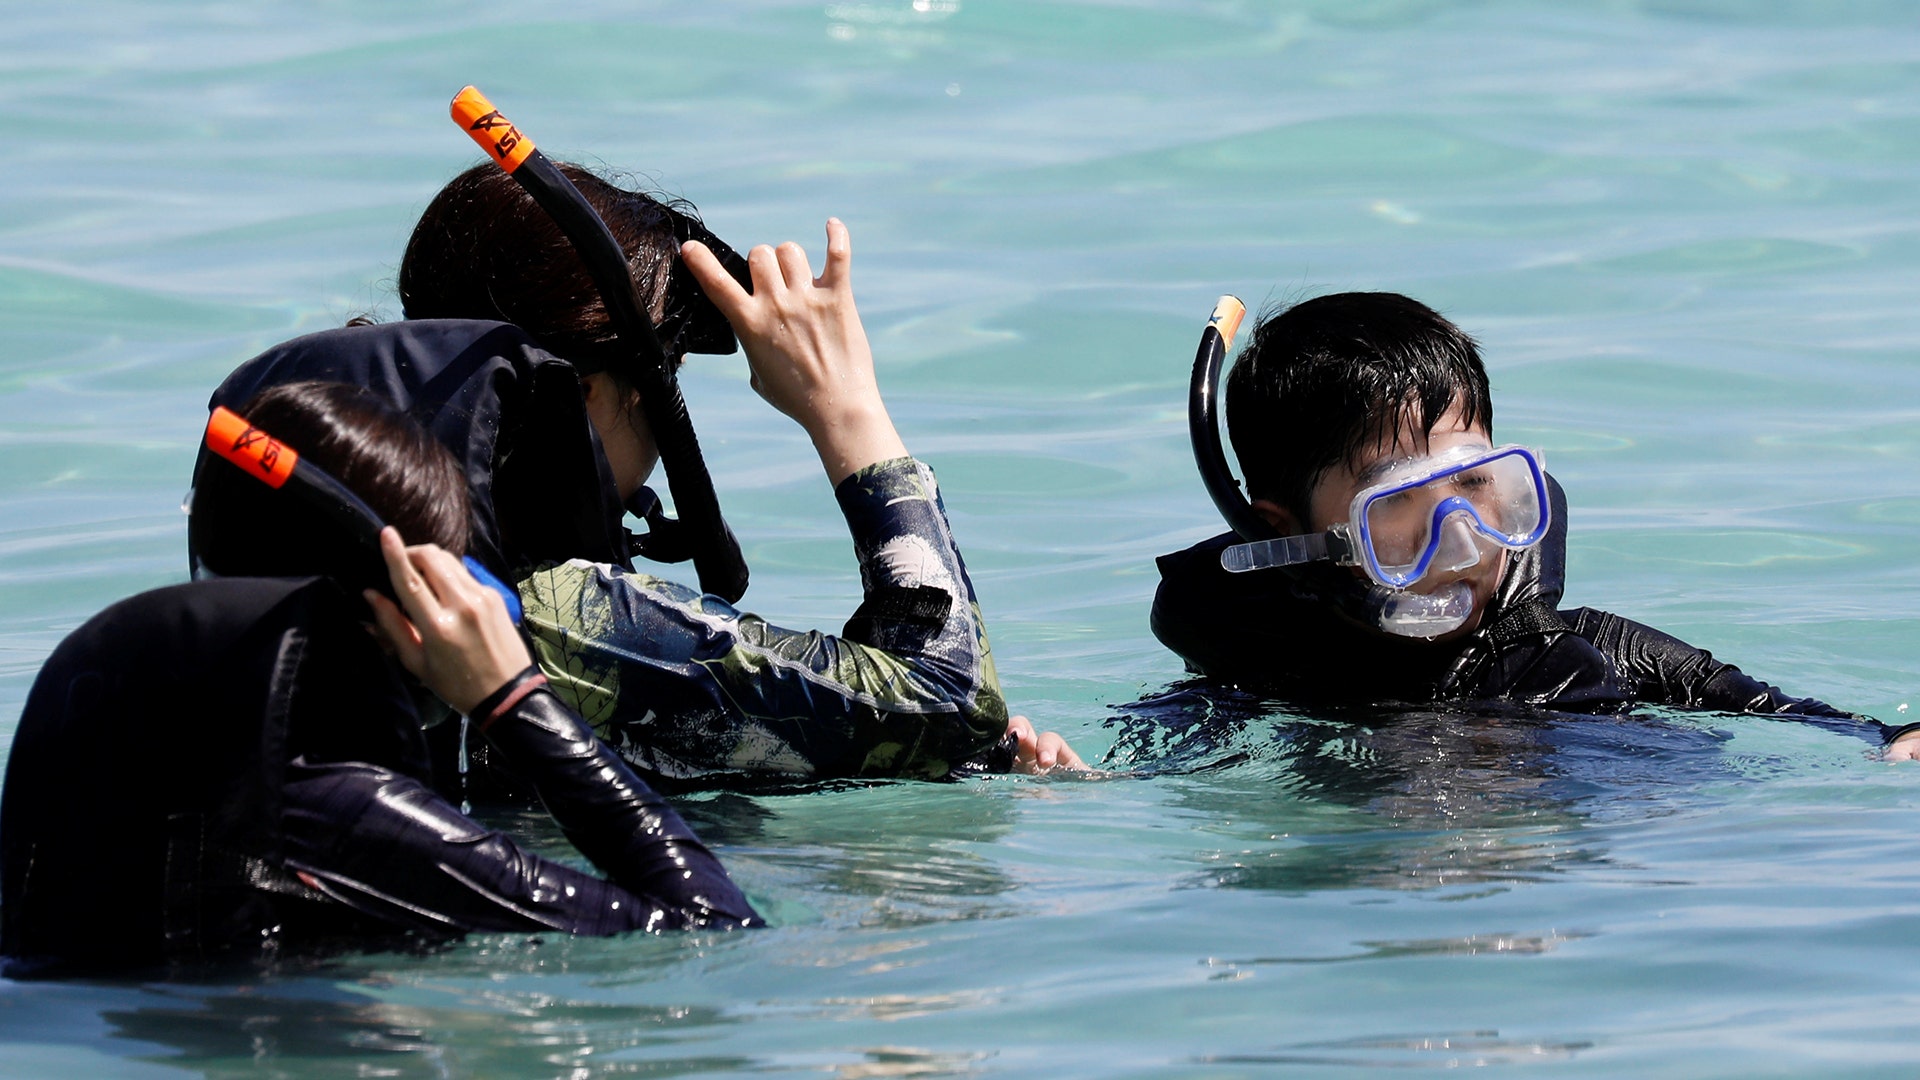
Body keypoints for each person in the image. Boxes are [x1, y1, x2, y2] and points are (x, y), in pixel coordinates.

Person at [200, 163, 1081, 784]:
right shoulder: (547, 617)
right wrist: (847, 411)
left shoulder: (364, 574)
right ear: (583, 391)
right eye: (668, 381)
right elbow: (946, 697)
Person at [2, 382, 757, 976]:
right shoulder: (338, 811)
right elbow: (710, 923)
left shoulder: (138, 732)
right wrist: (513, 698)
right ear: (416, 606)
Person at [1153, 291, 1920, 757]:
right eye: (1398, 506)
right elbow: (1148, 782)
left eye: (1479, 485)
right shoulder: (1254, 667)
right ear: (1286, 534)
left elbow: (1777, 715)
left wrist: (1890, 737)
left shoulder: (1570, 649)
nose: (1463, 541)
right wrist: (1062, 778)